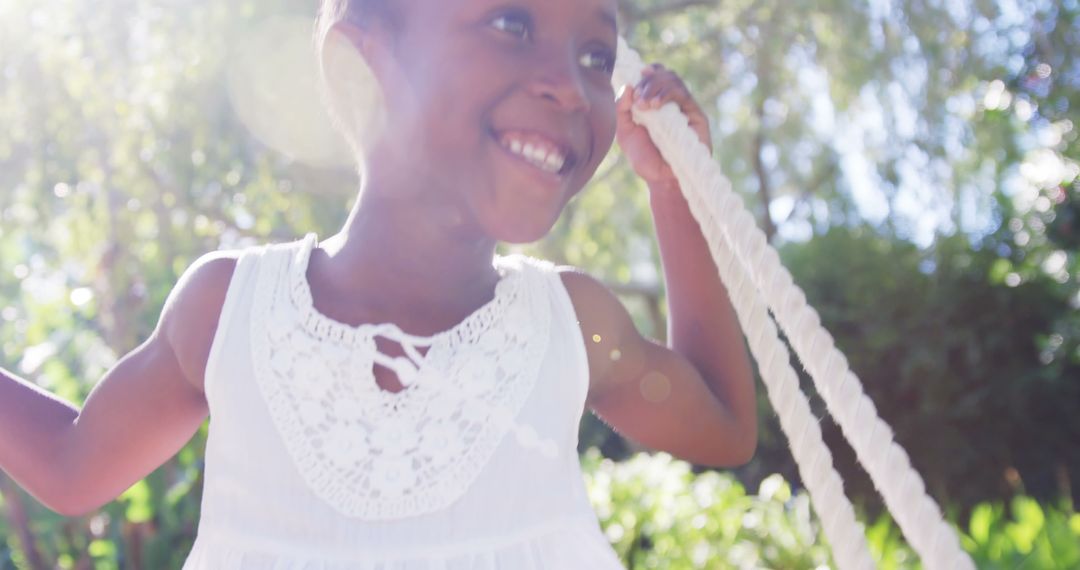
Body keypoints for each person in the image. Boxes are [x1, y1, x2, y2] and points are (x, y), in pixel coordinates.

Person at [0, 0, 757, 566]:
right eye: (510, 25)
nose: (566, 84)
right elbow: (72, 468)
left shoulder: (569, 324)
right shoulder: (232, 313)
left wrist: (675, 191)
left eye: (597, 56)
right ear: (371, 55)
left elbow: (723, 425)